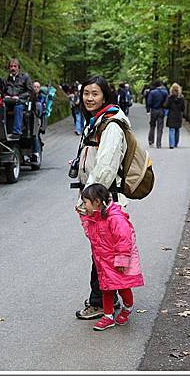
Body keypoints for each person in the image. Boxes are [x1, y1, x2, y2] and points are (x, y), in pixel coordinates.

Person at [73, 75, 131, 320]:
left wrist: (86, 200)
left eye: (95, 93)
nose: (89, 98)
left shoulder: (111, 125)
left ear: (105, 96)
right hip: (98, 198)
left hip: (104, 201)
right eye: (86, 93)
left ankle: (100, 302)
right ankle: (111, 299)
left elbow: (106, 167)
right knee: (102, 253)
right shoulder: (97, 121)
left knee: (102, 253)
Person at [78, 183, 144, 330]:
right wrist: (84, 218)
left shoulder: (115, 218)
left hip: (116, 262)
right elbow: (91, 235)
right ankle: (108, 316)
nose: (84, 205)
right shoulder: (94, 219)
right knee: (106, 289)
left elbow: (124, 239)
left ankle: (127, 307)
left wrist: (122, 260)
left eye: (85, 202)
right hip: (103, 262)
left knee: (123, 287)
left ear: (97, 202)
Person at [3, 58, 33, 140]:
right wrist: (6, 96)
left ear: (18, 67)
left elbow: (30, 91)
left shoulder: (25, 77)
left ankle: (17, 132)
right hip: (9, 101)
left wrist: (19, 97)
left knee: (18, 107)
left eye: (15, 66)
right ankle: (2, 131)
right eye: (11, 66)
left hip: (21, 101)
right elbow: (3, 90)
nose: (13, 68)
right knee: (0, 108)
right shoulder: (6, 78)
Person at [146, 80, 168, 148]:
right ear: (160, 85)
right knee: (160, 127)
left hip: (154, 110)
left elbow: (149, 102)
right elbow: (166, 102)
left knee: (152, 126)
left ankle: (151, 141)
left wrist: (148, 109)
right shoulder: (165, 92)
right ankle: (159, 143)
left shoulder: (152, 92)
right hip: (161, 110)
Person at [165, 83, 185, 149]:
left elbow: (166, 106)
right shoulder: (181, 98)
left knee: (171, 130)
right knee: (177, 129)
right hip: (178, 115)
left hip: (171, 114)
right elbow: (183, 107)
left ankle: (171, 144)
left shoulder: (170, 97)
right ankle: (176, 143)